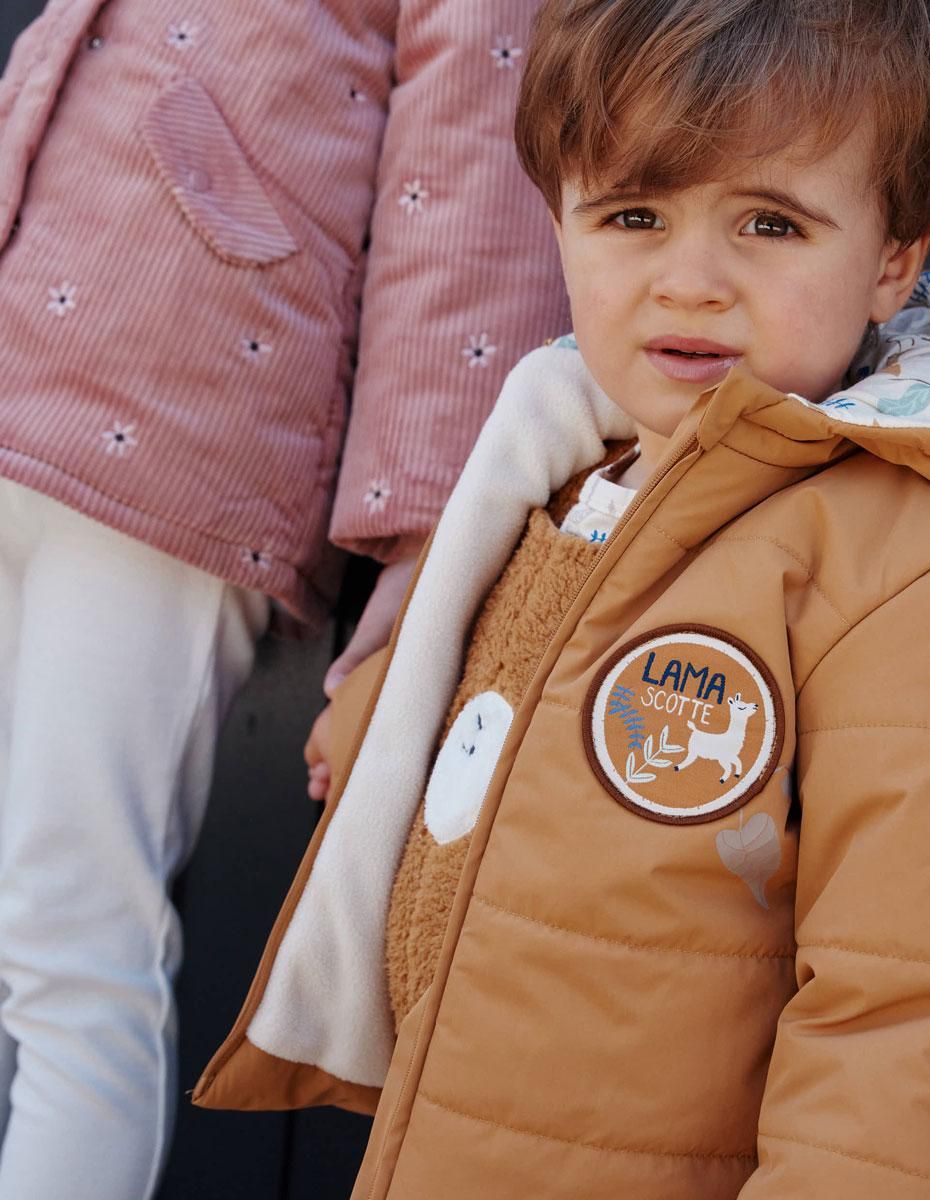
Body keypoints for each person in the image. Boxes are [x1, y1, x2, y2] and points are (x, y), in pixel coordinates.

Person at [196, 1, 930, 1196]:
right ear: (559, 222)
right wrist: (380, 717)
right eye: (633, 214)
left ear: (893, 254)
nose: (691, 281)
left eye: (770, 222)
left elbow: (919, 1023)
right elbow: (517, 725)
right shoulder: (569, 474)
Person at [0, 2, 565, 1197]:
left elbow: (468, 185)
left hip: (170, 430)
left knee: (69, 931)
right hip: (22, 358)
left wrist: (427, 550)